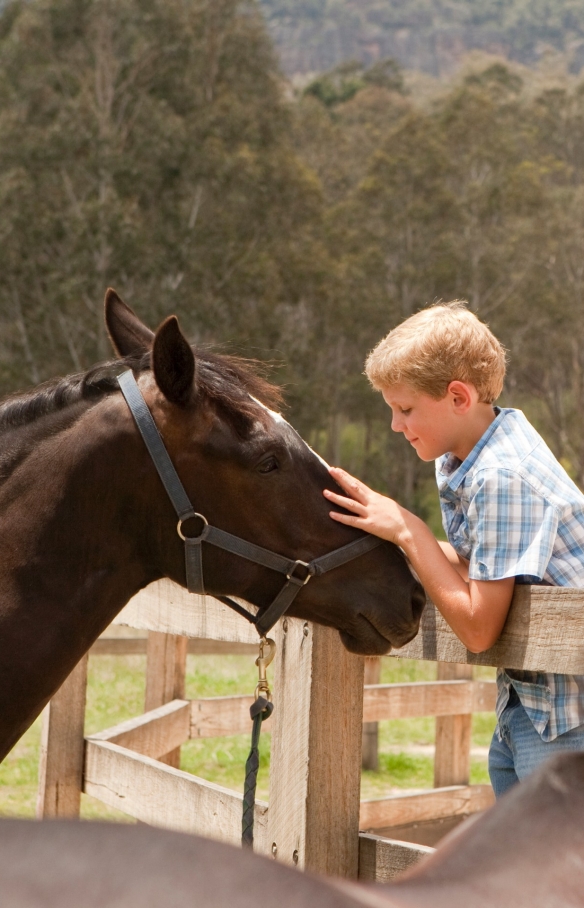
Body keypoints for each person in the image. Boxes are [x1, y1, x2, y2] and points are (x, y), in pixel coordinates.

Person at [324, 301, 584, 797]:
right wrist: (383, 538)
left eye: (405, 409)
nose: (397, 426)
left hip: (567, 719)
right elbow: (487, 566)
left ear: (458, 397)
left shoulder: (501, 476)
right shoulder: (476, 452)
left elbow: (479, 628)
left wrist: (410, 532)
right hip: (528, 703)